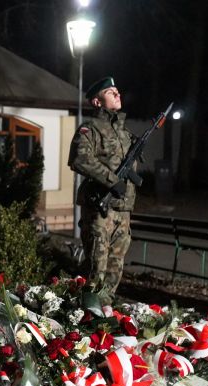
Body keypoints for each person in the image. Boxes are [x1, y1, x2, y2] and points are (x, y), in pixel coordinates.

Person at [68, 76, 136, 301]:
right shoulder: (90, 129)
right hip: (99, 209)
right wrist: (111, 180)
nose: (117, 94)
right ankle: (86, 317)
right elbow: (79, 159)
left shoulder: (125, 134)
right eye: (110, 92)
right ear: (97, 102)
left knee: (114, 271)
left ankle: (104, 316)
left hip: (122, 211)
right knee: (96, 268)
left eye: (117, 90)